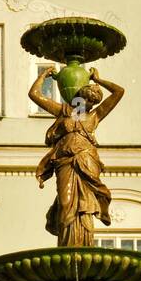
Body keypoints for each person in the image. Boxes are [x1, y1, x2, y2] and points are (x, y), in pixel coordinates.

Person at [28, 66, 124, 246]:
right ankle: (66, 244)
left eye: (91, 102)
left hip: (87, 160)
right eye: (85, 99)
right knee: (65, 202)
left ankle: (84, 243)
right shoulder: (63, 111)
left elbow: (119, 92)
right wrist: (43, 76)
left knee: (87, 205)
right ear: (78, 98)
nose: (87, 104)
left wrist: (98, 80)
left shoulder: (95, 116)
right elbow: (34, 94)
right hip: (64, 161)